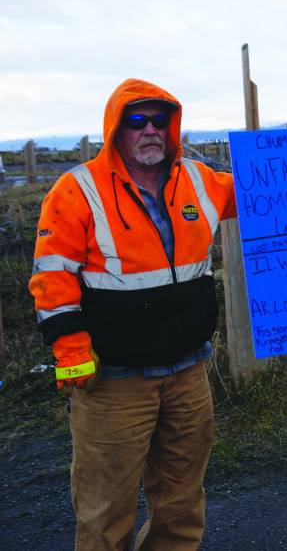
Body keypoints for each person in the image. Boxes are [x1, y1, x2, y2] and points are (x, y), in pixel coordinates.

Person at [29, 78, 236, 549]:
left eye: (159, 121)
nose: (149, 131)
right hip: (114, 385)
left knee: (182, 509)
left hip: (189, 375)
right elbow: (52, 279)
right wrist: (72, 354)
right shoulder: (76, 190)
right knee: (106, 517)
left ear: (172, 127)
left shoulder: (201, 181)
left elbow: (268, 185)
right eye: (136, 121)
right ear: (115, 129)